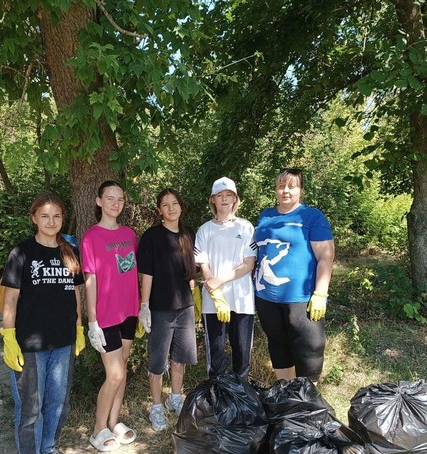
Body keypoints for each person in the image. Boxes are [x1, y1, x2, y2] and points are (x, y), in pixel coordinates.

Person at [0, 192, 85, 454]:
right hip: (30, 345)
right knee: (31, 407)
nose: (51, 221)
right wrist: (9, 337)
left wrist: (79, 327)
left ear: (63, 218)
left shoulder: (69, 250)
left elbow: (76, 293)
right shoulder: (21, 253)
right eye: (45, 216)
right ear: (34, 218)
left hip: (62, 341)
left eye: (57, 216)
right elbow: (9, 300)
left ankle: (49, 448)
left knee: (58, 402)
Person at [253, 168, 335, 383]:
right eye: (281, 186)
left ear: (301, 190)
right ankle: (285, 392)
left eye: (292, 186)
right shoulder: (266, 215)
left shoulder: (312, 217)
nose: (286, 191)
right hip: (266, 297)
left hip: (301, 297)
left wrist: (321, 293)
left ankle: (306, 399)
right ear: (276, 189)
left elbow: (325, 257)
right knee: (278, 343)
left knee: (310, 346)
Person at [81, 180, 139, 452]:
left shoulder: (129, 233)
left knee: (123, 365)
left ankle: (114, 422)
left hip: (129, 311)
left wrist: (144, 306)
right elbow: (90, 280)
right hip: (105, 315)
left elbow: (131, 272)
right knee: (114, 374)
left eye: (120, 199)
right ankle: (97, 430)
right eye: (110, 198)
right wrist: (91, 320)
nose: (116, 203)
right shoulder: (91, 237)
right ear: (98, 201)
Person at [137, 188, 201, 431]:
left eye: (175, 203)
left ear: (181, 207)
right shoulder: (152, 237)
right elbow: (148, 274)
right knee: (157, 361)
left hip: (184, 307)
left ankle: (175, 397)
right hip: (160, 308)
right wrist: (145, 305)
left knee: (180, 357)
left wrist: (194, 295)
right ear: (159, 210)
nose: (171, 208)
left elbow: (190, 272)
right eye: (165, 205)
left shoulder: (187, 234)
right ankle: (156, 407)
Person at [194, 177, 256, 380]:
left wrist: (220, 280)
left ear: (235, 199)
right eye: (220, 195)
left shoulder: (246, 227)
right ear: (213, 200)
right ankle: (217, 393)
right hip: (214, 300)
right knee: (216, 351)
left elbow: (249, 264)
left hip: (242, 298)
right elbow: (203, 263)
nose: (224, 199)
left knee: (242, 350)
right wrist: (214, 288)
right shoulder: (204, 230)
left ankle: (242, 395)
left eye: (229, 195)